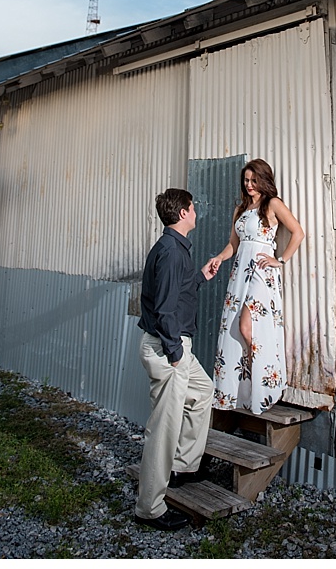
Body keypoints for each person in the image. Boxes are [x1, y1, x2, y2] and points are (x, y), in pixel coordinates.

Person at [135, 187, 219, 531]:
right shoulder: (170, 252)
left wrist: (200, 276)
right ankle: (150, 508)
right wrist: (174, 353)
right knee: (164, 429)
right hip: (168, 347)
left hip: (173, 344)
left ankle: (183, 466)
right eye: (194, 207)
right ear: (183, 212)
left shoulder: (175, 249)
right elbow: (165, 309)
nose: (196, 211)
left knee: (202, 392)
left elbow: (178, 291)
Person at [207, 159, 304, 415]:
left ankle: (266, 383)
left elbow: (298, 232)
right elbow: (234, 245)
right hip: (240, 272)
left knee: (246, 326)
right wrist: (218, 257)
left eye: (254, 180)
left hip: (261, 274)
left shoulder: (272, 204)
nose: (250, 185)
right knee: (235, 331)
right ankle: (244, 388)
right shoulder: (239, 210)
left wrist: (279, 259)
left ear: (264, 180)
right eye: (246, 181)